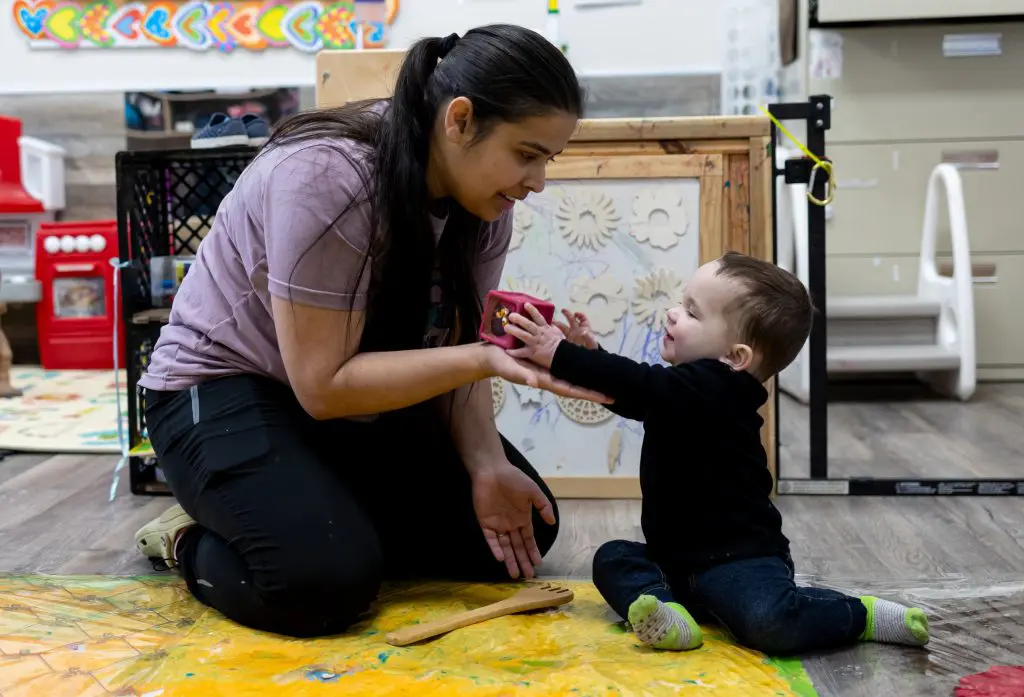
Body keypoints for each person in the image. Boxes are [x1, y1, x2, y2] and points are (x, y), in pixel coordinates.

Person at [132, 25, 605, 639]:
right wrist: (486, 360)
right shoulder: (329, 177)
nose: (537, 180)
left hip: (349, 404)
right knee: (320, 584)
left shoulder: (487, 205)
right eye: (526, 153)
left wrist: (487, 465)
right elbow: (325, 387)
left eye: (549, 158)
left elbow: (455, 344)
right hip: (225, 389)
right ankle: (187, 538)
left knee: (518, 528)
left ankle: (293, 505)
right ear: (459, 120)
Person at [504, 252, 930, 655]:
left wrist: (561, 354)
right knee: (613, 556)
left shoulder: (719, 389)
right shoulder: (689, 388)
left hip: (739, 562)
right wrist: (590, 356)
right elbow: (637, 395)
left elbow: (640, 385)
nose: (673, 312)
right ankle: (670, 616)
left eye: (692, 312)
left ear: (734, 357)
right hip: (673, 560)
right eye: (680, 303)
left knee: (769, 623)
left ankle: (859, 615)